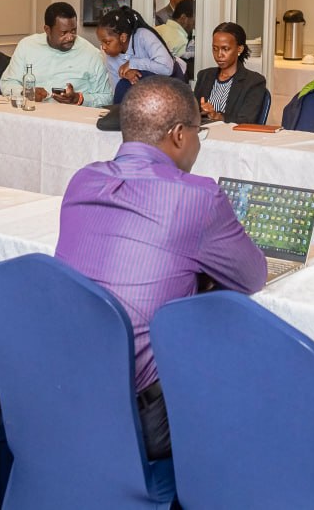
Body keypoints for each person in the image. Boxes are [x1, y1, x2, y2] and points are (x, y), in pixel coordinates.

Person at [55, 76, 266, 459]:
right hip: (140, 418)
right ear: (180, 135)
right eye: (200, 132)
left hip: (64, 389)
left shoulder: (83, 179)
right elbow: (253, 276)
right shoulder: (198, 196)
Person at [0, 2, 112, 106]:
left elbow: (107, 97)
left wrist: (79, 99)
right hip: (31, 113)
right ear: (47, 30)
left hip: (71, 117)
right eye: (63, 33)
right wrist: (26, 93)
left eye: (73, 31)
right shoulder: (27, 46)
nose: (70, 37)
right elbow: (8, 82)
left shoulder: (91, 54)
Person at [97, 7, 182, 103]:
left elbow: (167, 69)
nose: (103, 47)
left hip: (172, 89)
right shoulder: (110, 55)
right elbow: (117, 91)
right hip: (143, 98)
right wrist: (125, 75)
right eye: (101, 42)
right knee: (123, 85)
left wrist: (133, 64)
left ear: (123, 37)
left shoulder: (143, 36)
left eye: (107, 42)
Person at [194, 22, 267, 124]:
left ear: (239, 49)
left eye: (225, 49)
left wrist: (217, 116)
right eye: (215, 49)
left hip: (232, 133)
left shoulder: (254, 82)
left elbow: (246, 120)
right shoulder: (204, 76)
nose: (219, 54)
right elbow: (192, 113)